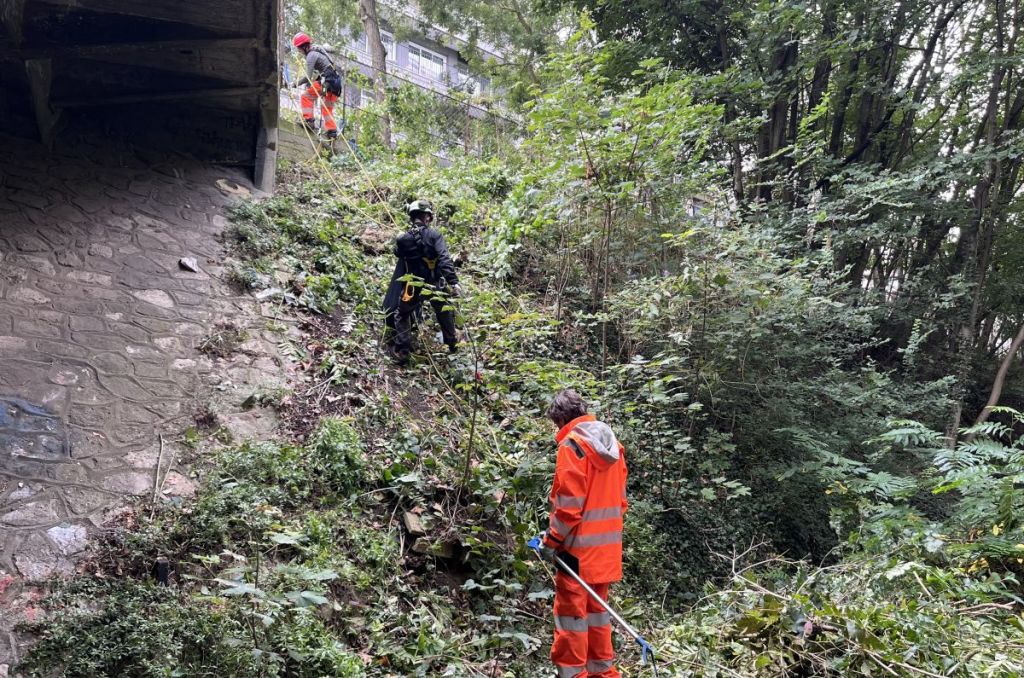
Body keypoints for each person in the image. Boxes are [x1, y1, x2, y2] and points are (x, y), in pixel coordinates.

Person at [537, 390, 628, 678]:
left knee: (572, 619)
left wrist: (550, 540)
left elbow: (568, 509)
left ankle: (574, 675)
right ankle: (603, 674)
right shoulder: (614, 446)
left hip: (576, 553)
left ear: (561, 418)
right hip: (606, 553)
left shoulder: (572, 447)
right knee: (598, 617)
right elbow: (621, 502)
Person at [383, 200, 461, 364]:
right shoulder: (434, 235)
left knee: (402, 313)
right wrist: (453, 282)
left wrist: (404, 239)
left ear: (412, 217)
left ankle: (403, 351)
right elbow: (444, 258)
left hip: (412, 285)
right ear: (427, 217)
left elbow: (398, 253)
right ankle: (452, 345)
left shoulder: (403, 238)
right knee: (445, 312)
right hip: (435, 284)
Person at [292, 32, 343, 139]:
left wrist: (295, 84)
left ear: (303, 47)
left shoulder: (311, 56)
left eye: (298, 48)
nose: (299, 51)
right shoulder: (317, 48)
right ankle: (332, 131)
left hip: (326, 82)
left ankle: (309, 121)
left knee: (306, 96)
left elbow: (307, 77)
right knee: (326, 107)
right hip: (336, 84)